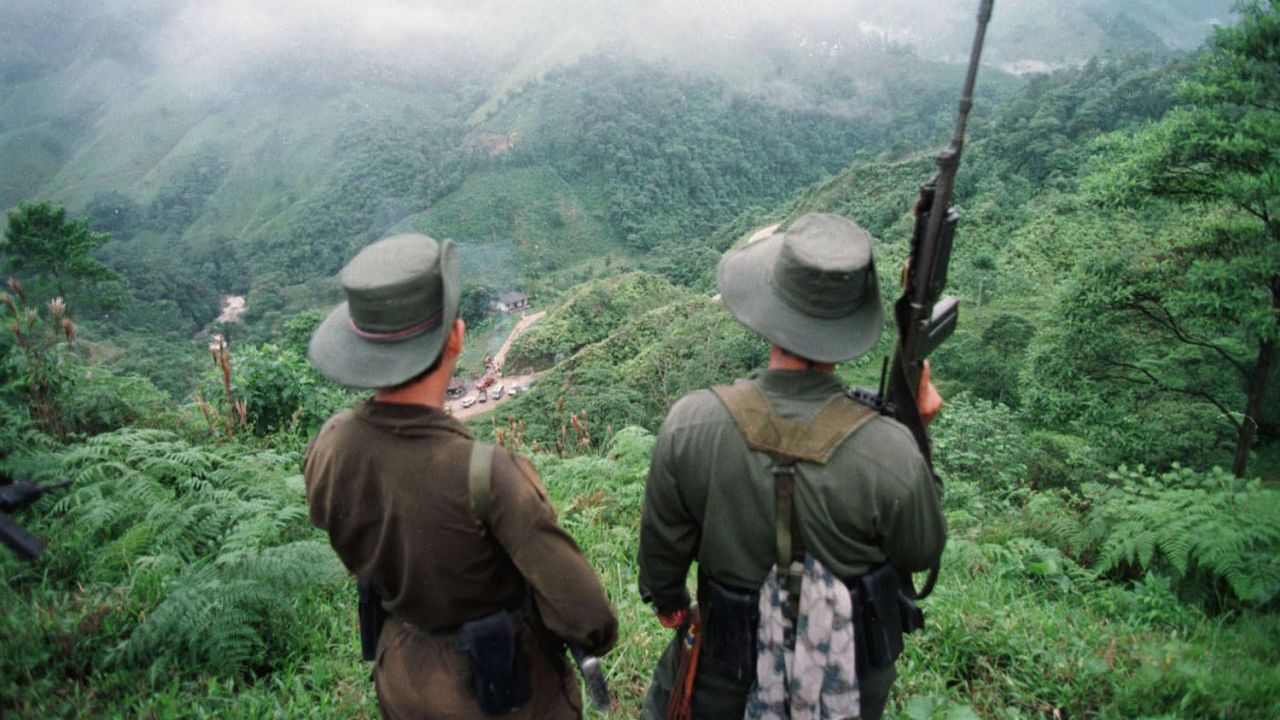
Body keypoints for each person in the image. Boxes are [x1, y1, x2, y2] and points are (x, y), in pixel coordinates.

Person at [637, 213, 946, 720]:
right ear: (849, 324)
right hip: (845, 689)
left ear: (772, 309)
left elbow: (663, 555)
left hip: (724, 678)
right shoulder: (890, 450)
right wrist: (917, 431)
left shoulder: (691, 424)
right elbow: (923, 547)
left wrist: (669, 600)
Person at [302, 233, 617, 719]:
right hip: (499, 692)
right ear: (455, 337)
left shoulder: (330, 444)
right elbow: (587, 615)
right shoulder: (488, 474)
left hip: (402, 676)